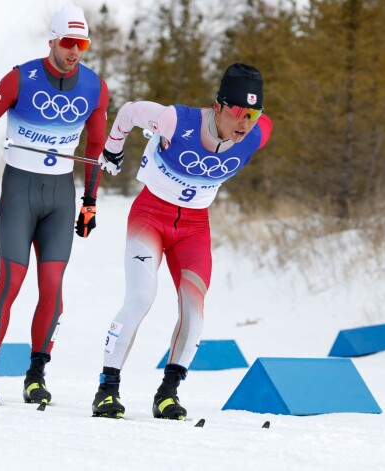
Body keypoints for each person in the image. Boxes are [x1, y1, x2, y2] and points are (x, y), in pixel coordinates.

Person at [92, 63, 273, 420]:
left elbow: (259, 126)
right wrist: (113, 150)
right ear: (218, 105)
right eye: (239, 112)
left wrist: (253, 121)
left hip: (194, 227)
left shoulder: (257, 133)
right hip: (151, 216)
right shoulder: (177, 121)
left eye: (254, 114)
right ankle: (107, 389)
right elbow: (128, 112)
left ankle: (167, 393)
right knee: (141, 297)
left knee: (195, 310)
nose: (246, 122)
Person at [0, 4, 109, 407]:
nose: (75, 51)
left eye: (81, 43)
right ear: (52, 40)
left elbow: (95, 148)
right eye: (68, 42)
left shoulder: (95, 87)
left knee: (51, 286)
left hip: (60, 198)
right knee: (10, 281)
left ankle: (36, 374)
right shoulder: (20, 77)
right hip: (19, 191)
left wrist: (90, 202)